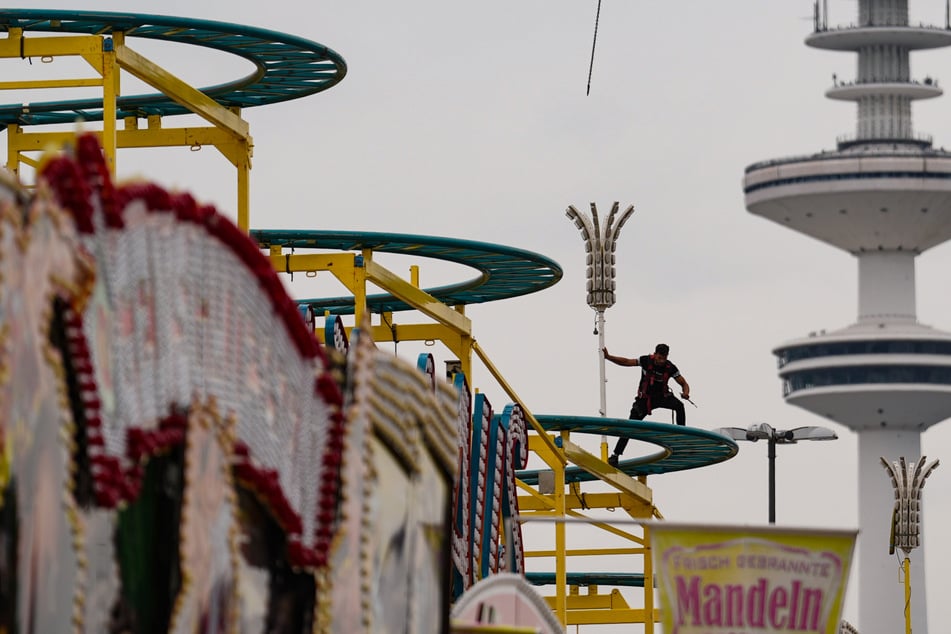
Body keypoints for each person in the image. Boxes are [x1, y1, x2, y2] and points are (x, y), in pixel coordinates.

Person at [603, 343, 690, 467]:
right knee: (630, 426)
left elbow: (684, 383)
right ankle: (615, 455)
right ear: (655, 355)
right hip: (644, 400)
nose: (661, 361)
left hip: (662, 397)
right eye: (659, 358)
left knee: (679, 406)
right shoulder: (645, 360)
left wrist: (686, 393)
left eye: (664, 358)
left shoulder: (670, 367)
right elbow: (627, 362)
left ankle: (682, 438)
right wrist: (609, 357)